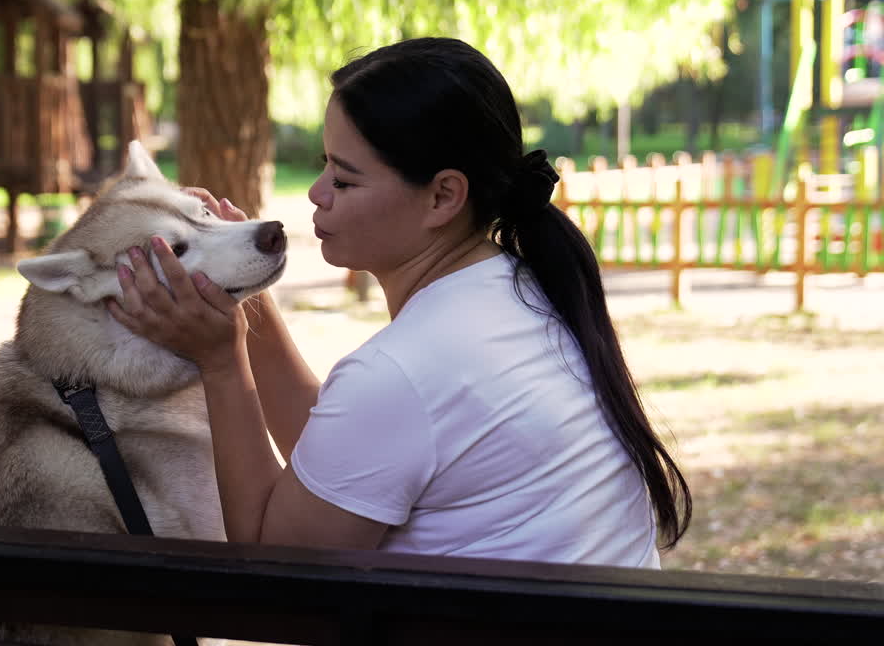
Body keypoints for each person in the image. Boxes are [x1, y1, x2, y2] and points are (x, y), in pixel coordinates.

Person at [107, 37, 691, 567]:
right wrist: (243, 292)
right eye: (323, 166)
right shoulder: (524, 288)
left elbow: (278, 566)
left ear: (442, 196)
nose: (316, 194)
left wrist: (220, 361)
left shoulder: (403, 372)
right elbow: (348, 452)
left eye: (344, 179)